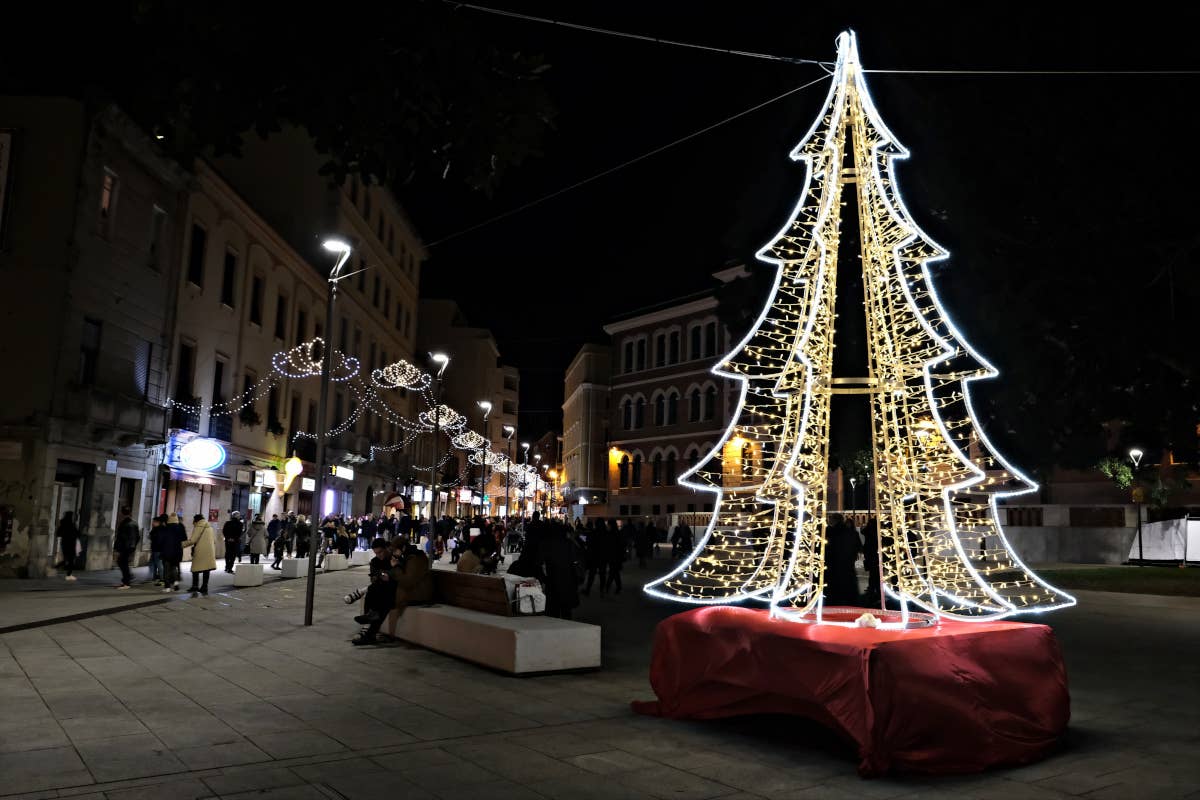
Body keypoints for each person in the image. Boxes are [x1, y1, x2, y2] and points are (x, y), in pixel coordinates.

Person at [541, 522, 582, 619]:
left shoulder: (546, 544)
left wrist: (544, 579)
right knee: (566, 611)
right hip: (568, 581)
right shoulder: (569, 543)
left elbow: (539, 562)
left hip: (552, 581)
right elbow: (576, 559)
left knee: (553, 612)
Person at [823, 513, 862, 606]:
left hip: (833, 565)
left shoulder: (829, 532)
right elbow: (858, 547)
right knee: (848, 588)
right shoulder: (852, 533)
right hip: (848, 564)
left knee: (833, 592)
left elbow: (825, 548)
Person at [184, 513, 217, 595]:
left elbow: (193, 540)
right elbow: (214, 540)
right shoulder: (209, 526)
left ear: (196, 520)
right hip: (210, 550)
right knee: (207, 569)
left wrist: (181, 544)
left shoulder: (198, 526)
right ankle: (204, 586)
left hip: (200, 550)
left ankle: (195, 586)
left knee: (195, 569)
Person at [113, 507, 139, 589]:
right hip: (128, 546)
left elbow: (124, 537)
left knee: (122, 562)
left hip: (126, 547)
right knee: (122, 562)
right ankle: (127, 579)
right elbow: (137, 537)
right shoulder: (132, 523)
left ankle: (127, 582)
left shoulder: (127, 524)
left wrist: (128, 546)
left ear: (122, 514)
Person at [160, 514, 187, 592]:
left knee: (166, 569)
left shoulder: (166, 528)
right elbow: (184, 538)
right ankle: (176, 584)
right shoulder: (181, 527)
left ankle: (167, 587)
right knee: (174, 568)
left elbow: (161, 540)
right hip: (177, 551)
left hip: (167, 551)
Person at [55, 511, 79, 581]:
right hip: (71, 543)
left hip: (64, 543)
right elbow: (77, 534)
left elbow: (58, 533)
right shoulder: (72, 524)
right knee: (71, 560)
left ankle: (57, 567)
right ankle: (68, 575)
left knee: (67, 559)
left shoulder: (63, 523)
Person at [148, 515, 165, 585]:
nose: (152, 523)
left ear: (158, 522)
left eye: (154, 522)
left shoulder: (160, 529)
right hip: (155, 549)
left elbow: (158, 539)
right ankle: (154, 577)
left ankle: (162, 579)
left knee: (158, 564)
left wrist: (152, 537)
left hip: (158, 549)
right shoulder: (155, 528)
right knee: (153, 563)